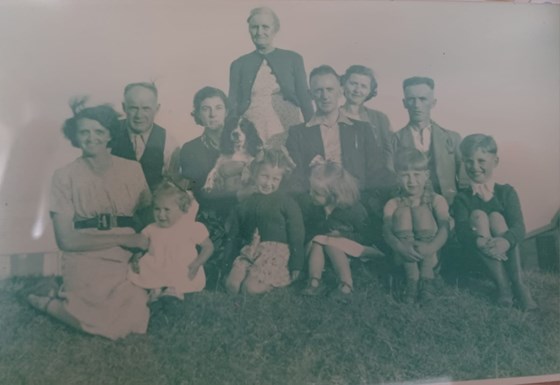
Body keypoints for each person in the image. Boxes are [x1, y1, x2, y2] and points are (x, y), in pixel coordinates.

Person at [27, 99, 152, 340]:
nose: (91, 137)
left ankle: (63, 297)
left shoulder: (132, 169)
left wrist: (140, 247)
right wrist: (125, 237)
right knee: (102, 322)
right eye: (84, 132)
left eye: (99, 131)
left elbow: (147, 217)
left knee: (136, 319)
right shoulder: (64, 176)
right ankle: (49, 304)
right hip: (85, 254)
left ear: (109, 135)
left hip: (124, 254)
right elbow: (67, 240)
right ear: (76, 136)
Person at [453, 134, 537, 311]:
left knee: (497, 218)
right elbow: (461, 231)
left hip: (508, 255)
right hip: (479, 258)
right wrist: (479, 240)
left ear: (495, 161)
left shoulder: (506, 192)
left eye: (481, 160)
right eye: (469, 161)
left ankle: (518, 284)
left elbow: (519, 227)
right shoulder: (462, 198)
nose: (475, 167)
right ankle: (503, 286)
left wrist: (505, 241)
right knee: (478, 215)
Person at [225, 146, 304, 294]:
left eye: (275, 179)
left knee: (250, 289)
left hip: (274, 254)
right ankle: (245, 275)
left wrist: (296, 264)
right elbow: (233, 235)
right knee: (232, 285)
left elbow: (297, 235)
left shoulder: (287, 203)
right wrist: (227, 262)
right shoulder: (246, 203)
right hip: (250, 250)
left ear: (281, 180)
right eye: (264, 176)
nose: (269, 183)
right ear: (255, 174)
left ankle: (273, 282)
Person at [228, 7, 314, 145]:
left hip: (286, 125)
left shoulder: (293, 59)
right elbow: (232, 105)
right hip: (251, 129)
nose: (260, 32)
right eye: (254, 27)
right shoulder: (238, 64)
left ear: (275, 29)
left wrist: (313, 132)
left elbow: (305, 99)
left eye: (265, 27)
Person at [301, 161, 381, 300]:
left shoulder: (352, 210)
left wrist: (343, 235)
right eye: (311, 190)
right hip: (323, 248)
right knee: (318, 243)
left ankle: (346, 284)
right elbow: (310, 229)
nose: (311, 195)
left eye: (317, 193)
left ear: (334, 195)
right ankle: (314, 281)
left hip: (356, 249)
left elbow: (367, 235)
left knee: (332, 243)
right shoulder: (315, 208)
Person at [178, 87, 232, 288]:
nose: (212, 114)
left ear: (227, 111)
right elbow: (194, 189)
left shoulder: (240, 142)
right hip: (208, 212)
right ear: (198, 114)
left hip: (240, 209)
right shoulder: (190, 148)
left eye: (218, 108)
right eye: (206, 109)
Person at [127, 177, 213, 301]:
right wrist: (138, 256)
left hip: (181, 265)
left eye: (167, 210)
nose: (161, 215)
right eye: (157, 209)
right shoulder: (151, 228)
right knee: (146, 267)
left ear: (182, 209)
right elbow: (142, 245)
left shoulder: (190, 227)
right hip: (157, 263)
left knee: (180, 272)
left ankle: (172, 291)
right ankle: (155, 289)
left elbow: (208, 246)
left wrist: (197, 263)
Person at [383, 149, 450, 303]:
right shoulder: (393, 203)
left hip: (430, 256)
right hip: (403, 257)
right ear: (397, 177)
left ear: (426, 175)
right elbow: (386, 231)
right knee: (403, 213)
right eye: (405, 175)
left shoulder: (436, 200)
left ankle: (427, 279)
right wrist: (400, 247)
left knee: (422, 212)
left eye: (416, 174)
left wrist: (430, 248)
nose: (411, 181)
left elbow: (445, 229)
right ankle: (411, 281)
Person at [111, 82, 179, 191]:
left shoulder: (169, 142)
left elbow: (172, 189)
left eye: (146, 108)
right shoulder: (108, 134)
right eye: (133, 108)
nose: (139, 115)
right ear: (124, 107)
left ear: (157, 109)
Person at [339, 65, 394, 172]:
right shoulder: (332, 116)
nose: (357, 90)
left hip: (373, 178)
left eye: (363, 86)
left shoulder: (380, 118)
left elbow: (388, 154)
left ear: (370, 91)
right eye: (353, 84)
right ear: (344, 84)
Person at [203, 117, 263, 196]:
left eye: (242, 127)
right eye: (232, 128)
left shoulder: (252, 156)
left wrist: (246, 169)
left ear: (249, 133)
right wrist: (210, 183)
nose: (236, 131)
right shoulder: (224, 156)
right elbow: (216, 169)